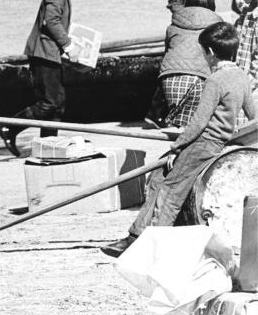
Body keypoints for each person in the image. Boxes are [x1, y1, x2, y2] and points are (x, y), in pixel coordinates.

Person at [101, 22, 256, 257]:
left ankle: (146, 244)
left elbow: (198, 122)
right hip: (218, 143)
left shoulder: (215, 81)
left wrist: (177, 147)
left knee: (170, 191)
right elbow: (253, 117)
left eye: (203, 53)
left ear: (211, 53)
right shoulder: (242, 78)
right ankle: (137, 234)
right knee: (158, 176)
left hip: (203, 143)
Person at [0, 0, 90, 157]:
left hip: (50, 54)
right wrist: (69, 46)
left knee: (58, 102)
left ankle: (49, 145)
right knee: (49, 102)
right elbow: (51, 22)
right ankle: (8, 128)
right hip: (43, 54)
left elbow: (56, 25)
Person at [157, 0, 222, 127]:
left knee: (178, 123)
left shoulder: (173, 25)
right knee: (193, 125)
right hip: (198, 78)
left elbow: (167, 51)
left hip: (168, 78)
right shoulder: (217, 27)